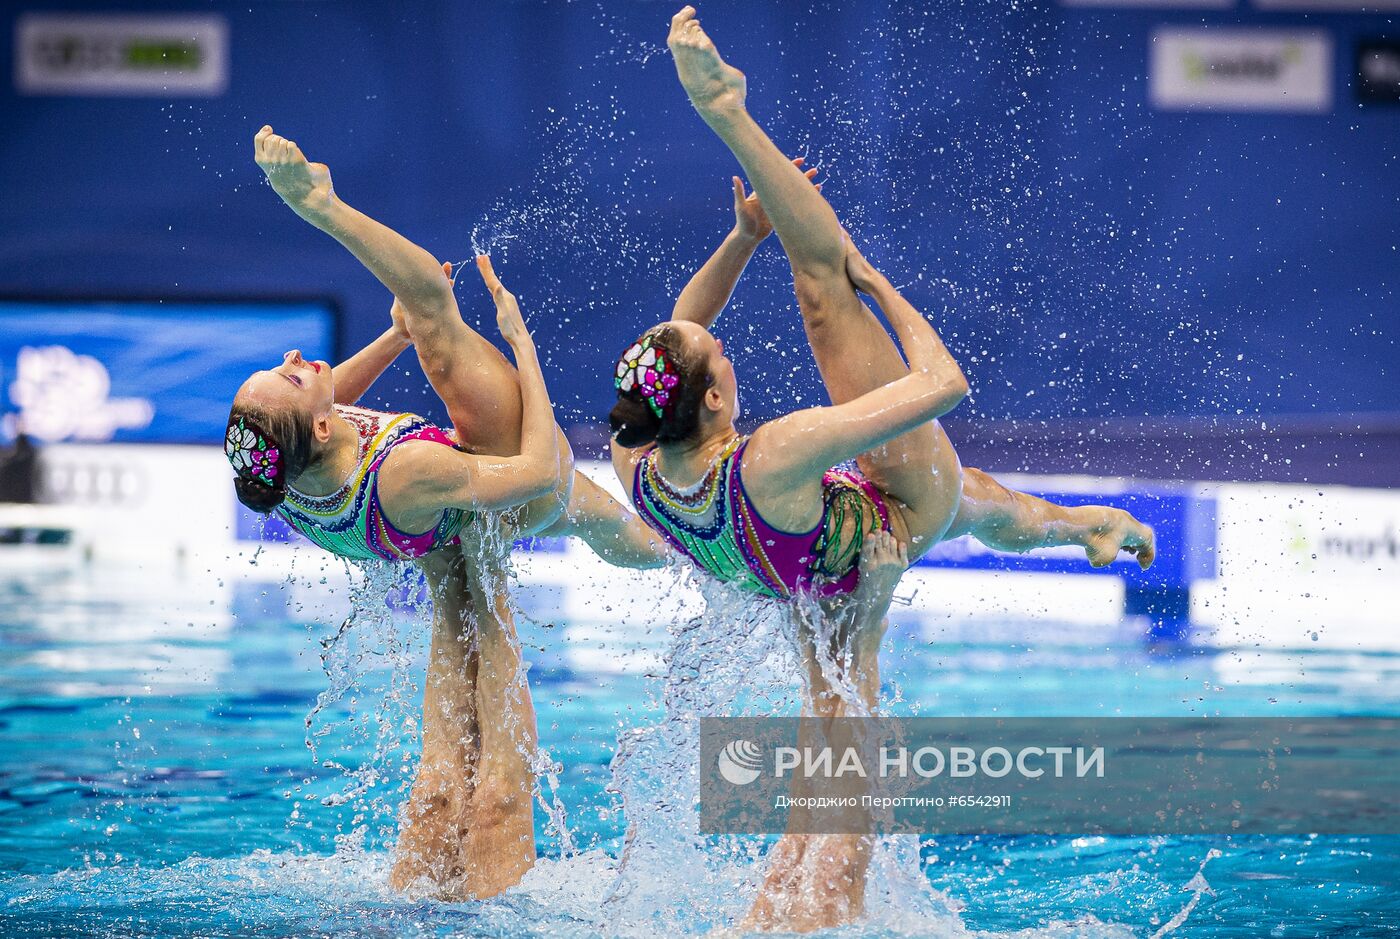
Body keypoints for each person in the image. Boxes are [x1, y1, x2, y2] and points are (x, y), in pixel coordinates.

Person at [603, 9, 1157, 930]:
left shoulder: (640, 463)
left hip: (804, 570)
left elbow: (679, 332)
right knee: (822, 292)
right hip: (885, 524)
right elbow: (943, 382)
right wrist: (876, 284)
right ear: (709, 402)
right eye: (720, 357)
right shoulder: (775, 453)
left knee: (833, 748)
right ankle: (731, 110)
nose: (724, 346)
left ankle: (1081, 523)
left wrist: (744, 237)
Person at [230, 128, 667, 900]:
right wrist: (524, 351)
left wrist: (389, 340)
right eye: (290, 378)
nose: (298, 362)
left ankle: (420, 899)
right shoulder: (407, 467)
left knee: (439, 781)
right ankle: (325, 205)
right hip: (513, 483)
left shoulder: (282, 475)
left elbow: (332, 409)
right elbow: (531, 467)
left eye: (282, 366)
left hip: (434, 533)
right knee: (440, 320)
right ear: (322, 430)